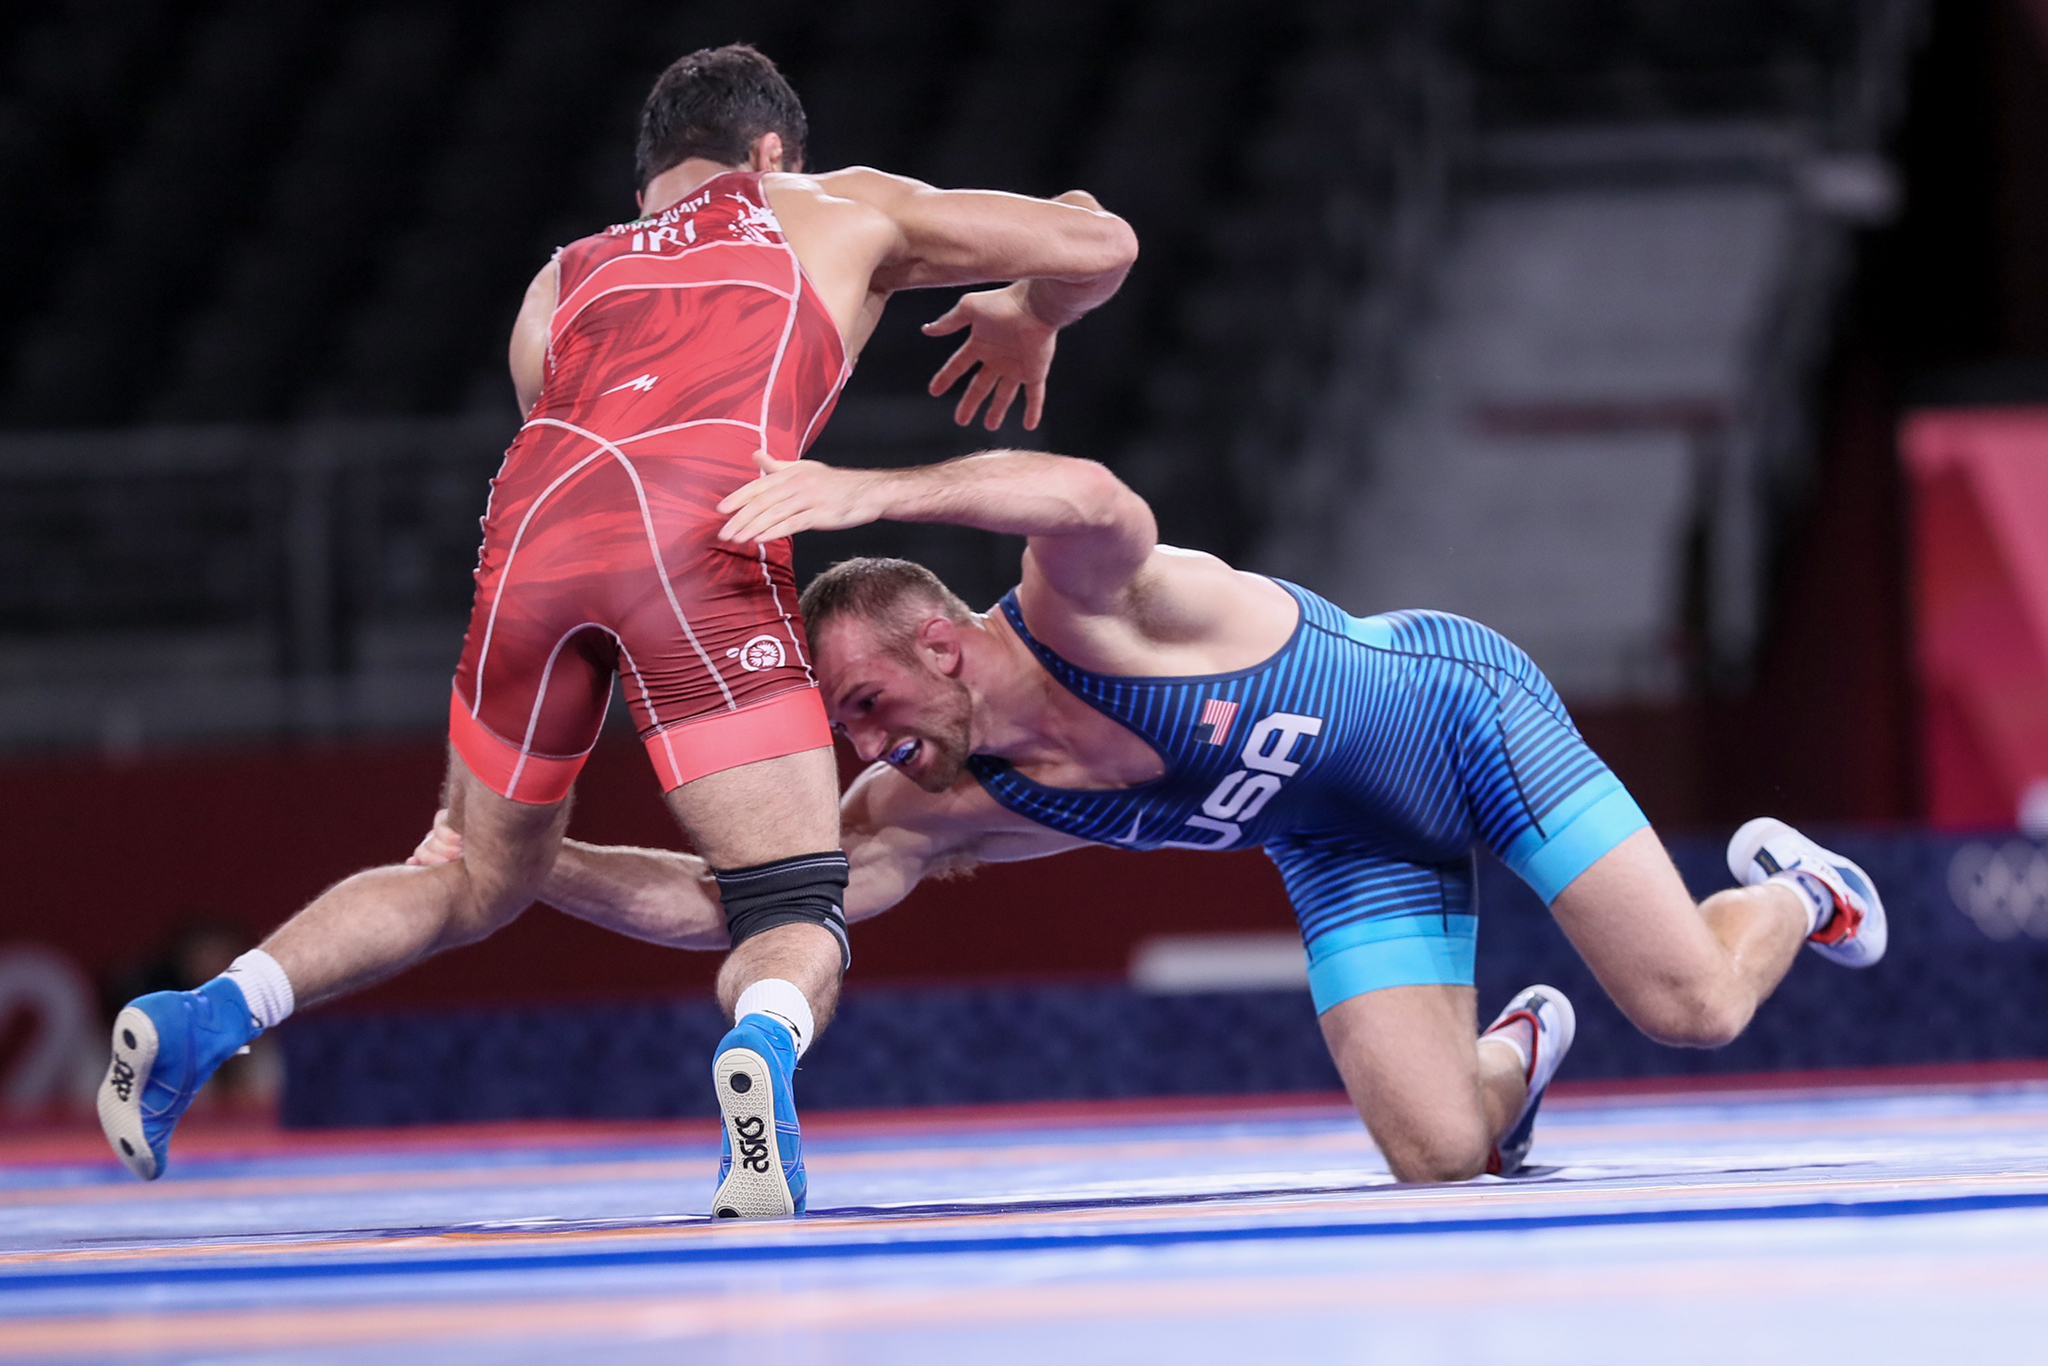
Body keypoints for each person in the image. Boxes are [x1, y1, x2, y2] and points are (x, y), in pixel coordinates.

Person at [97, 44, 1137, 1220]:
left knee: (470, 868)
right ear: (768, 152)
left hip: (531, 531)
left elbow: (573, 425)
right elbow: (1100, 244)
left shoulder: (561, 277)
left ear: (649, 177)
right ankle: (759, 1055)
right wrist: (1035, 318)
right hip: (699, 524)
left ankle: (209, 1016)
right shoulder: (829, 202)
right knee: (792, 896)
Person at [419, 446, 1887, 1185]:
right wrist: (528, 859)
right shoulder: (940, 805)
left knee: (1692, 1003)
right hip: (1347, 849)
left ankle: (1792, 888)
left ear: (942, 642)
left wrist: (874, 485)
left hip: (1464, 715)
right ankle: (1516, 1044)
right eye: (843, 726)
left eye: (866, 703)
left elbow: (1081, 488)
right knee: (1442, 1160)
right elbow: (749, 900)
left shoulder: (1086, 610)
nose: (861, 743)